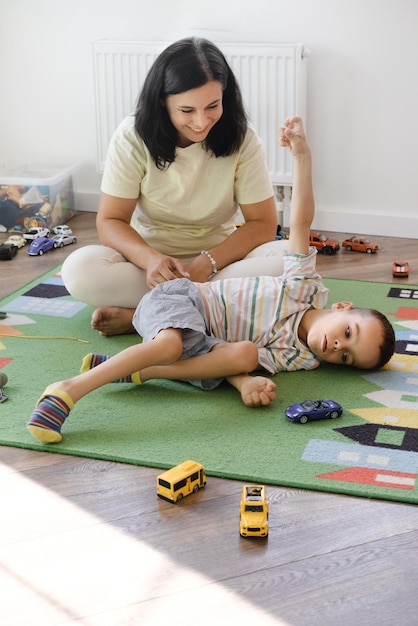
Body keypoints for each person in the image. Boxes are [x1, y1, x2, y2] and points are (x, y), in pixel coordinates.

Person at [27, 116, 395, 445]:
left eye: (346, 357)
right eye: (348, 332)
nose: (336, 347)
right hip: (183, 296)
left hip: (205, 340)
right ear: (342, 307)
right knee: (171, 344)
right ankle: (70, 390)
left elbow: (231, 360)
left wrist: (245, 382)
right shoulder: (304, 287)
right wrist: (302, 156)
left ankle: (138, 367)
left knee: (246, 354)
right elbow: (299, 224)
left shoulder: (300, 358)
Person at [62, 37, 286, 337]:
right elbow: (110, 221)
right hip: (148, 269)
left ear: (225, 97)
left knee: (290, 260)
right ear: (162, 103)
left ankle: (143, 316)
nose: (201, 121)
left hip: (220, 265)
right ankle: (206, 310)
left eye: (212, 106)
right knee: (79, 271)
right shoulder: (132, 136)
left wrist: (207, 262)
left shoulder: (242, 138)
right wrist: (151, 260)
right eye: (186, 110)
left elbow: (262, 224)